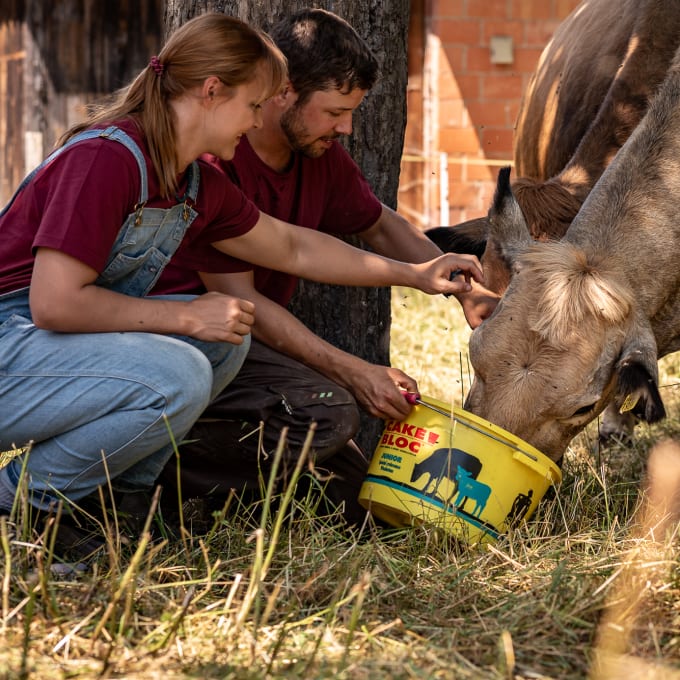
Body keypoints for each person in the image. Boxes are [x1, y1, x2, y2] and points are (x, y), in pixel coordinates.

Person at [0, 11, 482, 549]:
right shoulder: (106, 159)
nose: (256, 123)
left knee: (223, 349)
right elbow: (53, 304)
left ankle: (115, 502)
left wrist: (416, 273)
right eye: (253, 106)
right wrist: (185, 315)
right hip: (11, 343)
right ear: (211, 92)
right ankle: (24, 500)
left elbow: (293, 245)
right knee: (179, 368)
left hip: (46, 352)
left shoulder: (192, 181)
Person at [155, 9, 498, 526]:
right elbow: (249, 306)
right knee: (331, 413)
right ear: (282, 92)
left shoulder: (319, 157)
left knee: (357, 500)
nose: (349, 127)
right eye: (335, 111)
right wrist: (355, 371)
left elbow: (377, 226)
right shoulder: (217, 163)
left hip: (246, 347)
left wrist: (461, 288)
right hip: (189, 338)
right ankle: (150, 476)